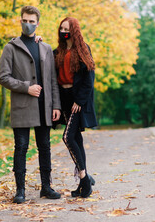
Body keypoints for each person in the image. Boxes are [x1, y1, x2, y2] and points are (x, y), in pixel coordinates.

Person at [0, 6, 62, 204]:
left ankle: (46, 187)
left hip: (44, 106)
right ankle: (20, 191)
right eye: (25, 20)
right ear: (20, 21)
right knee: (21, 147)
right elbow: (3, 77)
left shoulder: (45, 47)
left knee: (44, 147)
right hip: (23, 106)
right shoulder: (10, 47)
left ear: (37, 23)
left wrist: (56, 106)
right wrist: (27, 87)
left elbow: (52, 80)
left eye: (32, 21)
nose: (28, 24)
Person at [53, 17, 97, 198]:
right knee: (76, 139)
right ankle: (83, 183)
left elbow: (89, 79)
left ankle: (84, 179)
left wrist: (79, 101)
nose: (64, 32)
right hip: (64, 99)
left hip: (77, 101)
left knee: (67, 137)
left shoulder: (83, 49)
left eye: (67, 29)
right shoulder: (57, 52)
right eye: (62, 28)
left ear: (74, 31)